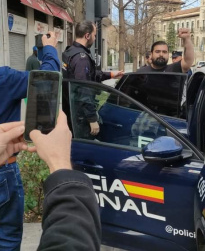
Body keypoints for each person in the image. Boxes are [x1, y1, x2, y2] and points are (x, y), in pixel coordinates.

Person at [0, 111, 101, 251]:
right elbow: (71, 242)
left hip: (6, 160)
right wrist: (60, 164)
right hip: (7, 165)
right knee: (8, 236)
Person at [0, 31, 60, 251]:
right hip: (3, 170)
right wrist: (50, 47)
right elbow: (46, 80)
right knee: (6, 240)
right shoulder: (4, 78)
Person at [62, 20, 123, 137]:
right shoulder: (81, 58)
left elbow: (90, 75)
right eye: (94, 35)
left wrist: (110, 74)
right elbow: (84, 90)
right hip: (80, 116)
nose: (95, 39)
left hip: (70, 110)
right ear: (87, 35)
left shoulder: (69, 51)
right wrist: (92, 119)